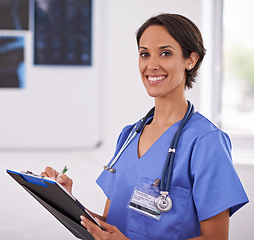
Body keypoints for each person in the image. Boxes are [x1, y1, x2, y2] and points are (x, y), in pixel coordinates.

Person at [42, 13, 249, 240]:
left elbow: (216, 239)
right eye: (144, 54)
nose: (151, 65)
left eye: (165, 53)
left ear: (191, 60)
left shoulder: (207, 142)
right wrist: (65, 200)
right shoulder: (129, 136)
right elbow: (113, 225)